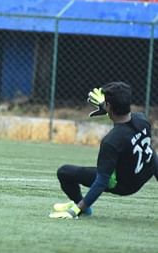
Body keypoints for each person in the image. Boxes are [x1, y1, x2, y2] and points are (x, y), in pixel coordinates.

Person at [49, 81, 158, 219]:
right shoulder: (142, 119)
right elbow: (126, 126)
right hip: (145, 172)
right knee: (151, 152)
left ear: (109, 106)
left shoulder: (111, 141)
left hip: (125, 185)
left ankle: (83, 208)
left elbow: (102, 181)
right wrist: (107, 109)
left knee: (64, 172)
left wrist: (75, 210)